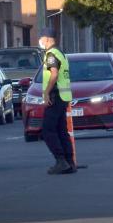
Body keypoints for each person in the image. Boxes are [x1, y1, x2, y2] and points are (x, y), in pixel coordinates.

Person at [39, 28, 76, 175]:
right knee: (61, 131)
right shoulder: (61, 53)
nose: (40, 41)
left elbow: (53, 74)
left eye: (41, 38)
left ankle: (60, 161)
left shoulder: (51, 54)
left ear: (47, 39)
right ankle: (69, 162)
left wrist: (46, 92)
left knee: (47, 130)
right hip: (63, 97)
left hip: (55, 95)